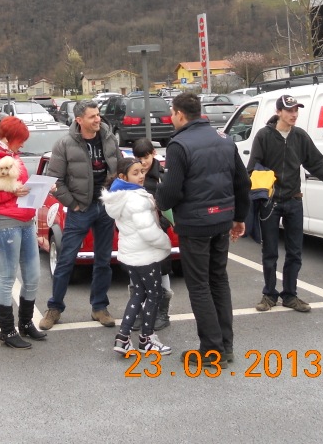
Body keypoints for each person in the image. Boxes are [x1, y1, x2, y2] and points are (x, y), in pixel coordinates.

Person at [157, 92, 250, 367]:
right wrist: (239, 217)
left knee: (199, 286)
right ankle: (225, 346)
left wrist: (159, 199)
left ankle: (211, 351)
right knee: (218, 280)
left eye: (172, 113)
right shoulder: (224, 139)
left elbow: (170, 192)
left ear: (179, 114)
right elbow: (242, 182)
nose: (171, 118)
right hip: (222, 219)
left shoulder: (179, 145)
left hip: (195, 224)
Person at [248, 94, 323, 313]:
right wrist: (265, 184)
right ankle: (269, 295)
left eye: (296, 110)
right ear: (278, 112)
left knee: (295, 253)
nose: (294, 114)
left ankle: (290, 295)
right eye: (289, 110)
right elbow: (252, 168)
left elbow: (317, 165)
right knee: (270, 252)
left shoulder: (300, 136)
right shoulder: (264, 136)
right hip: (270, 203)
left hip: (294, 201)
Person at [39, 99, 120, 330]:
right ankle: (54, 308)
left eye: (98, 115)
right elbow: (54, 180)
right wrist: (73, 205)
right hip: (80, 210)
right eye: (92, 116)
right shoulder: (64, 144)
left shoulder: (109, 138)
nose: (98, 119)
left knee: (103, 261)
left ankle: (99, 307)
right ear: (79, 120)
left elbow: (119, 169)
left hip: (105, 207)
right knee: (66, 260)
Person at [0, 116, 45, 349]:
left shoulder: (12, 156)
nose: (22, 144)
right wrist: (13, 193)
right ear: (9, 137)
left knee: (33, 276)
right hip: (5, 223)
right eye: (20, 139)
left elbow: (19, 188)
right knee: (6, 278)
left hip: (25, 221)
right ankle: (7, 330)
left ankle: (25, 323)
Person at [103, 157, 172, 355]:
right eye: (135, 173)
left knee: (139, 293)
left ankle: (123, 338)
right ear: (123, 176)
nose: (141, 176)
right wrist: (165, 243)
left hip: (130, 253)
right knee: (154, 294)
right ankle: (147, 339)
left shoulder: (119, 196)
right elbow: (148, 231)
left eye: (142, 171)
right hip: (145, 254)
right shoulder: (136, 199)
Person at [131, 137, 173, 330]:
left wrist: (160, 224)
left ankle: (162, 313)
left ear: (154, 153)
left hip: (158, 231)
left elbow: (170, 204)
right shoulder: (131, 174)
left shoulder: (163, 176)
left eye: (146, 157)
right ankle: (138, 311)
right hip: (136, 233)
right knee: (136, 270)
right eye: (139, 158)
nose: (143, 162)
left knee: (161, 269)